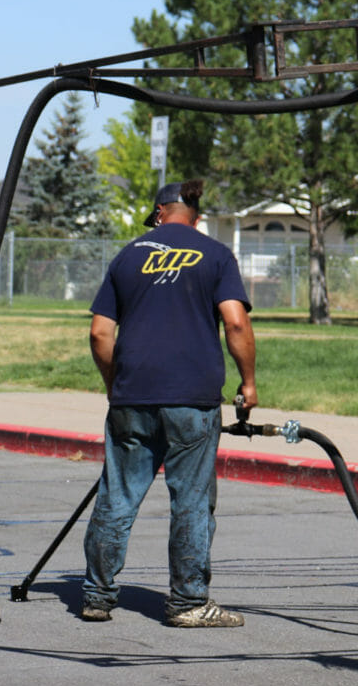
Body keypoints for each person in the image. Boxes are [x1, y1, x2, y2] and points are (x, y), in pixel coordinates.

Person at [80, 179, 257, 628]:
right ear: (195, 217)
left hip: (132, 396)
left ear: (159, 213)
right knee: (191, 501)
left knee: (117, 495)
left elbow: (100, 333)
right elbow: (235, 323)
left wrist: (114, 383)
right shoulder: (216, 255)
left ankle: (98, 596)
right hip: (191, 399)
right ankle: (188, 603)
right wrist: (249, 382)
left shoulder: (127, 256)